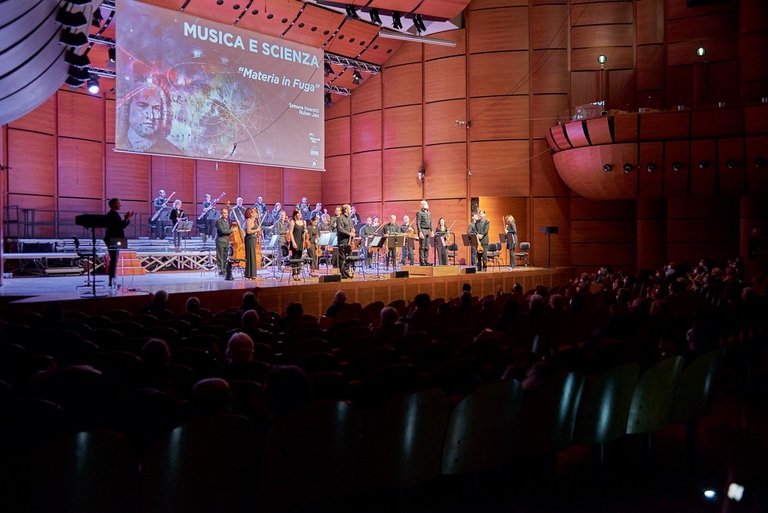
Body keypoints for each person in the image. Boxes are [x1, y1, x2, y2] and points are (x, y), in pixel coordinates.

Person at [117, 84, 182, 155]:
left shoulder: (175, 153)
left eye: (156, 109)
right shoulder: (117, 142)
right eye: (142, 106)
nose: (151, 115)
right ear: (127, 108)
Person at [104, 198, 134, 287]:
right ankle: (111, 280)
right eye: (118, 203)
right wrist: (126, 219)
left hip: (114, 239)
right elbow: (120, 227)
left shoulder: (115, 214)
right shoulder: (112, 214)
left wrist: (126, 219)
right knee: (113, 260)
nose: (120, 205)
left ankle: (112, 280)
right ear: (113, 205)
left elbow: (120, 226)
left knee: (114, 260)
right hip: (112, 239)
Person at [336, 204, 354, 279]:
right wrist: (349, 233)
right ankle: (343, 273)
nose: (351, 210)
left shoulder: (349, 219)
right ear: (346, 210)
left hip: (349, 241)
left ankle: (346, 271)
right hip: (343, 240)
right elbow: (340, 229)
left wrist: (353, 230)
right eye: (350, 209)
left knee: (349, 257)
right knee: (342, 258)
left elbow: (351, 227)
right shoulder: (340, 218)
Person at [288, 208, 306, 281]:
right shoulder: (293, 222)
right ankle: (294, 273)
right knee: (295, 257)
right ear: (295, 214)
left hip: (301, 241)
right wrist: (293, 242)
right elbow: (291, 233)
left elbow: (303, 233)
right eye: (298, 213)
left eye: (300, 213)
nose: (300, 215)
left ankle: (298, 273)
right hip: (295, 241)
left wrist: (305, 231)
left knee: (299, 257)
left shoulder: (303, 222)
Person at [216, 207, 233, 276]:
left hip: (226, 241)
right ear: (221, 213)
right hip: (220, 240)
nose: (226, 214)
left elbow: (227, 231)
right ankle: (221, 270)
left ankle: (225, 269)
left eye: (227, 213)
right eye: (225, 213)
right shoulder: (219, 221)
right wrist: (231, 231)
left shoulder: (227, 221)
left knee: (225, 256)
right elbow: (223, 231)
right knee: (220, 256)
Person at [244, 208, 259, 279]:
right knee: (250, 256)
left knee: (253, 256)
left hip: (253, 239)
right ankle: (250, 274)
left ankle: (253, 273)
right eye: (254, 213)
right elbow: (249, 231)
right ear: (251, 214)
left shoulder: (254, 221)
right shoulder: (249, 220)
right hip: (249, 239)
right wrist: (257, 230)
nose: (256, 214)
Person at [416, 200, 432, 266]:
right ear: (421, 205)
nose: (426, 205)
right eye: (424, 204)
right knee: (422, 247)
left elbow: (430, 222)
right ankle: (422, 262)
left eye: (426, 204)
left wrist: (432, 230)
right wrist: (420, 232)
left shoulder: (429, 213)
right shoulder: (419, 213)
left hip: (428, 230)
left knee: (427, 247)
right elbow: (418, 223)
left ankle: (426, 261)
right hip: (422, 230)